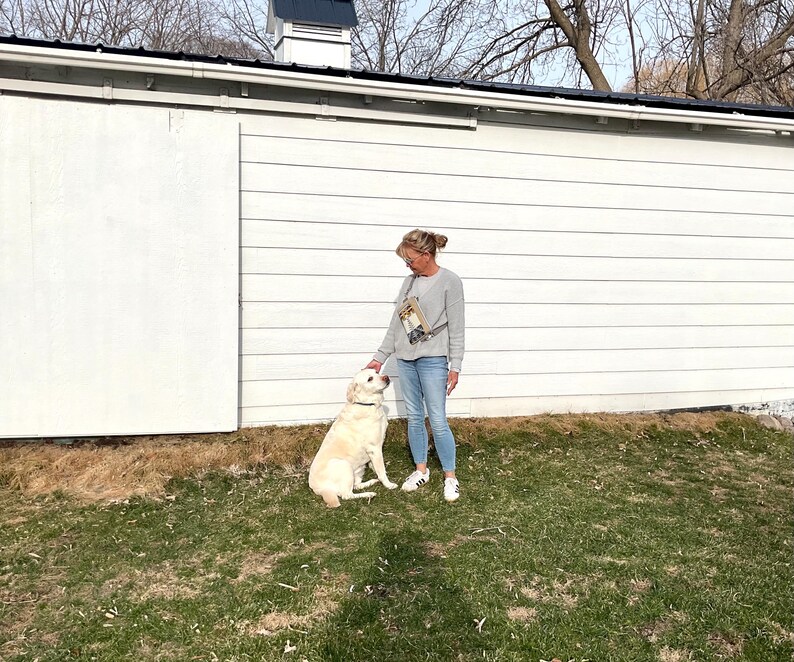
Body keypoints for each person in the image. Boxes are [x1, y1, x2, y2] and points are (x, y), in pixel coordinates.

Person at [365, 229, 465, 502]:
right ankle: (421, 470)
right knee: (414, 416)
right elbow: (397, 324)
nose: (407, 265)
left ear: (426, 254)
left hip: (433, 360)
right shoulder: (408, 283)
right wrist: (380, 355)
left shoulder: (450, 281)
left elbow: (457, 328)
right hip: (405, 360)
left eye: (410, 260)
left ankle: (450, 476)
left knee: (438, 419)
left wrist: (455, 365)